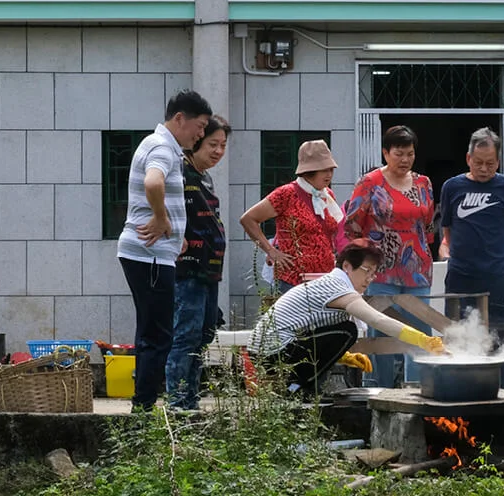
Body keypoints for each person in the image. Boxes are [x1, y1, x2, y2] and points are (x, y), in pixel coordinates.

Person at [117, 90, 213, 411]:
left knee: (151, 333)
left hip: (151, 252)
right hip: (150, 255)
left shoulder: (159, 144)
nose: (201, 134)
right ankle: (142, 410)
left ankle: (141, 408)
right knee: (158, 336)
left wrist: (175, 233)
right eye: (199, 127)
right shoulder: (162, 147)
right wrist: (160, 219)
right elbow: (153, 183)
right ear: (179, 119)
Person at [248, 241, 447, 396]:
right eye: (366, 271)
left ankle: (297, 387)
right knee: (347, 331)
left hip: (268, 351)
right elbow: (377, 320)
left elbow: (315, 332)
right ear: (347, 266)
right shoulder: (337, 286)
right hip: (272, 352)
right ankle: (296, 389)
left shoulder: (333, 282)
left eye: (374, 273)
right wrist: (423, 340)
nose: (370, 278)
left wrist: (344, 357)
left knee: (344, 329)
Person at [342, 125, 437, 387]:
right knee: (380, 332)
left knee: (420, 331)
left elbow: (428, 227)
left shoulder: (423, 183)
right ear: (386, 152)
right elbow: (351, 225)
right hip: (379, 271)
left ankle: (419, 389)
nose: (405, 160)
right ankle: (378, 390)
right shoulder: (369, 182)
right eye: (399, 153)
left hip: (417, 270)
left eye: (410, 153)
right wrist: (365, 259)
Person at [164, 115, 232, 411]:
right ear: (195, 143)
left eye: (223, 145)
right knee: (185, 336)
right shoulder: (179, 172)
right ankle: (179, 404)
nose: (218, 151)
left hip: (209, 270)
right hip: (187, 270)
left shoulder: (206, 176)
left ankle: (191, 399)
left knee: (204, 335)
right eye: (212, 144)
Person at [439, 128, 504, 323]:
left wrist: (497, 250)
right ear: (468, 158)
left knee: (498, 332)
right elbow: (448, 228)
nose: (484, 169)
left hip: (496, 274)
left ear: (498, 162)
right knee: (458, 330)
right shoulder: (451, 187)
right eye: (478, 163)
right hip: (460, 274)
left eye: (490, 163)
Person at [240, 140, 341, 294]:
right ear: (309, 170)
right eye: (323, 170)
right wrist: (271, 251)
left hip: (325, 279)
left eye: (331, 169)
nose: (329, 175)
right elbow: (248, 219)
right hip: (293, 280)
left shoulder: (327, 195)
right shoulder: (286, 194)